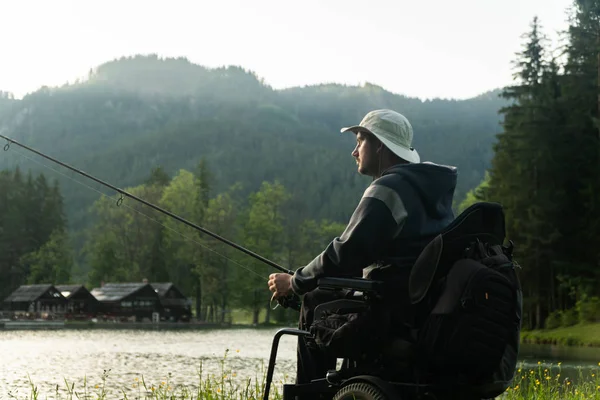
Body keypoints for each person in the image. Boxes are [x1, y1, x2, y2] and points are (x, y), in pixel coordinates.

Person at [267, 109, 458, 384]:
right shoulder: (429, 192)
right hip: (418, 309)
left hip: (390, 312)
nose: (354, 152)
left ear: (379, 144)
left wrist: (296, 282)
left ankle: (308, 391)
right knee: (324, 291)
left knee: (313, 299)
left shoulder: (388, 188)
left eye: (359, 142)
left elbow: (345, 252)